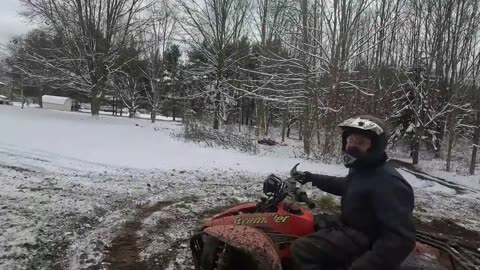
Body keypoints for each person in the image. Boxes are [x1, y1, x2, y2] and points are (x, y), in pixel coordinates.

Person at [290, 115, 416, 270]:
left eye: (361, 142)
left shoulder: (389, 183)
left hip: (366, 239)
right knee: (306, 222)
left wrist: (365, 265)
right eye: (350, 140)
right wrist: (311, 178)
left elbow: (401, 239)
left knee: (301, 249)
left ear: (375, 146)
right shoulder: (364, 170)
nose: (352, 147)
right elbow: (347, 186)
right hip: (351, 227)